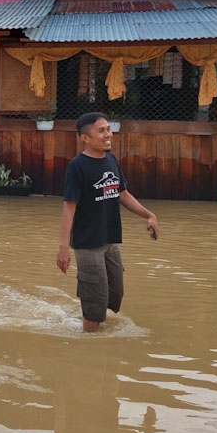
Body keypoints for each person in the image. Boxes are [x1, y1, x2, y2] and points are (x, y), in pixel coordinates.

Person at [56, 112, 159, 333]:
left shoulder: (111, 160)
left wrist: (149, 215)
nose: (108, 134)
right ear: (85, 138)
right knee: (95, 302)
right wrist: (63, 247)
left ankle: (94, 321)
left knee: (115, 295)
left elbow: (123, 194)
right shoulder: (78, 166)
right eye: (101, 131)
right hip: (88, 243)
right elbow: (69, 207)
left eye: (108, 129)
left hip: (111, 240)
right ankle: (90, 340)